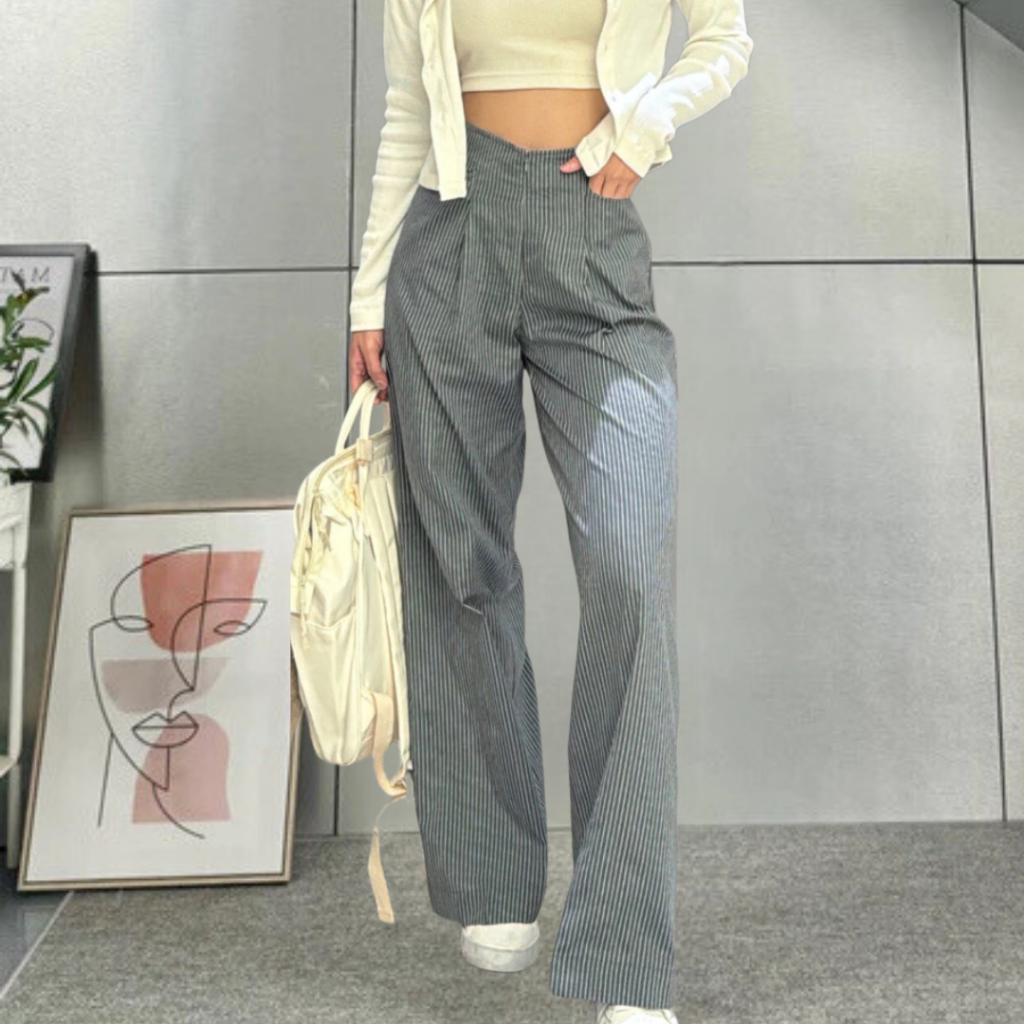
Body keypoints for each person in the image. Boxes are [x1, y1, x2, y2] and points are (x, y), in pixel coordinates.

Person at [348, 2, 753, 1022]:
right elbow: (407, 109)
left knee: (628, 566)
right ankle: (492, 878)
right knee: (462, 566)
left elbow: (724, 39)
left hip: (592, 232)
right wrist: (366, 296)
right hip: (449, 234)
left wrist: (646, 122)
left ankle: (623, 954)